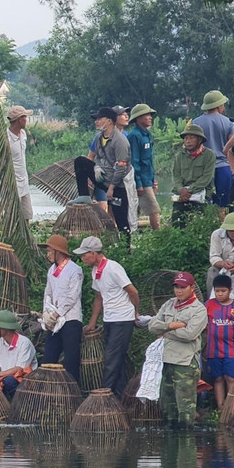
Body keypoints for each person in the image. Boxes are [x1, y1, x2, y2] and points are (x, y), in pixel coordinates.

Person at [77, 235, 139, 397]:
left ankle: (105, 394)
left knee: (111, 358)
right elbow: (99, 297)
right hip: (109, 319)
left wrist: (135, 312)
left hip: (122, 318)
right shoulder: (95, 271)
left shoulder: (113, 268)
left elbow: (133, 291)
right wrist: (92, 322)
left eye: (85, 254)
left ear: (95, 253)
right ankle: (122, 395)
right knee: (116, 357)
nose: (83, 258)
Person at [148, 272, 207, 427]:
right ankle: (170, 449)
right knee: (167, 411)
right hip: (165, 361)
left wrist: (165, 332)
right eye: (176, 287)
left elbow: (189, 334)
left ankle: (186, 447)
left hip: (185, 363)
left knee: (185, 413)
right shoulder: (168, 304)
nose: (179, 290)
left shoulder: (199, 309)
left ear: (192, 288)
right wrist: (172, 325)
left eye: (183, 287)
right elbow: (152, 325)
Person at [40, 234, 84, 384]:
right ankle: (47, 390)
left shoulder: (75, 269)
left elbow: (72, 296)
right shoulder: (51, 270)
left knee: (71, 359)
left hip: (71, 319)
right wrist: (47, 313)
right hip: (54, 320)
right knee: (49, 356)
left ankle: (73, 393)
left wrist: (57, 313)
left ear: (58, 251)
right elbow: (48, 293)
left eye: (49, 251)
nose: (48, 255)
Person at [90, 106, 134, 234]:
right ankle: (84, 197)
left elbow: (122, 166)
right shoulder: (99, 138)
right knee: (81, 163)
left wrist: (111, 188)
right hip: (104, 178)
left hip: (119, 184)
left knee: (121, 218)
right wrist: (97, 167)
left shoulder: (120, 140)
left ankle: (125, 249)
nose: (96, 122)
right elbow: (96, 157)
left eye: (99, 119)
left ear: (109, 121)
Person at [195, 90, 234, 215]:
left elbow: (191, 146)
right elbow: (232, 147)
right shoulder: (228, 122)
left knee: (203, 201)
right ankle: (222, 227)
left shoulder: (196, 123)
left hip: (202, 168)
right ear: (219, 106)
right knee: (223, 204)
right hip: (223, 167)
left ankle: (206, 227)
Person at [206, 275, 234, 408]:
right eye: (217, 291)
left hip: (233, 349)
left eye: (223, 291)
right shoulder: (209, 305)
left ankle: (231, 409)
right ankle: (221, 407)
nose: (220, 294)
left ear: (230, 290)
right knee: (218, 378)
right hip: (213, 350)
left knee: (232, 379)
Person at [125, 104, 161, 230]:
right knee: (153, 209)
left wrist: (153, 179)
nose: (150, 117)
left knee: (142, 209)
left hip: (148, 178)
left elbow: (149, 160)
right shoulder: (134, 136)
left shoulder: (147, 135)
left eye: (150, 115)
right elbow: (134, 162)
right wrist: (138, 183)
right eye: (147, 115)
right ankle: (160, 236)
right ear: (138, 118)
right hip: (141, 181)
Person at [174, 124, 216, 227]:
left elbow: (207, 177)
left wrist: (190, 190)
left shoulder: (209, 155)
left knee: (200, 225)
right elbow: (176, 177)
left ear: (200, 139)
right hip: (182, 195)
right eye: (186, 138)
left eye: (191, 138)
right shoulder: (179, 155)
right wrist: (181, 190)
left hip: (202, 194)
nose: (187, 141)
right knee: (177, 223)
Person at [0, 310, 36, 399]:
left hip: (22, 380)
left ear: (4, 328)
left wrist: (0, 374)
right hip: (3, 378)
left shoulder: (24, 343)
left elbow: (20, 369)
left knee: (9, 381)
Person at [6, 105, 33, 220]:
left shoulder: (23, 134)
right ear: (18, 120)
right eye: (25, 117)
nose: (26, 120)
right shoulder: (6, 138)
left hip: (24, 183)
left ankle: (26, 238)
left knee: (27, 216)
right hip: (12, 184)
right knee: (12, 218)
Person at [211, 213, 234, 291]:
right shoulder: (217, 235)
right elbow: (214, 256)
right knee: (212, 271)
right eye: (232, 231)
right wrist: (223, 263)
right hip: (221, 267)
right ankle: (211, 300)